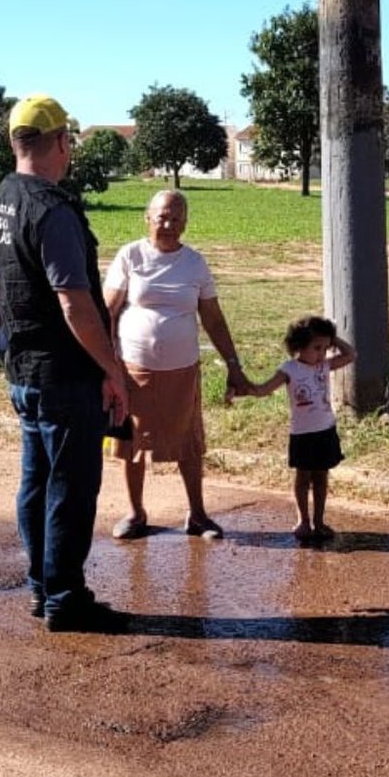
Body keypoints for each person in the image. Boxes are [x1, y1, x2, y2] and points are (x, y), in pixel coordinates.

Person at [0, 93, 128, 633]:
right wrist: (112, 370)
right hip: (63, 374)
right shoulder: (52, 209)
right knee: (70, 484)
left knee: (37, 482)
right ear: (62, 142)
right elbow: (74, 301)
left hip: (22, 368)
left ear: (15, 141)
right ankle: (66, 597)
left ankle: (43, 588)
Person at [103, 189, 248, 540]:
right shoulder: (130, 256)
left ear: (185, 222)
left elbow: (212, 317)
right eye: (162, 216)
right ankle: (136, 514)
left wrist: (233, 363)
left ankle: (197, 515)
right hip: (134, 369)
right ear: (147, 218)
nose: (169, 224)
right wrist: (106, 366)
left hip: (183, 371)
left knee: (189, 443)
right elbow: (107, 311)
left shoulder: (195, 263)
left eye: (176, 217)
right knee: (132, 444)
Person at [241, 315, 355, 543]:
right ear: (299, 347)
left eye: (325, 348)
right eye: (316, 348)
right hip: (302, 434)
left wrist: (334, 339)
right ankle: (303, 520)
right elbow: (263, 389)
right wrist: (243, 388)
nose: (322, 353)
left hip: (325, 430)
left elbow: (351, 355)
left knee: (322, 477)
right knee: (303, 477)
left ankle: (319, 521)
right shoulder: (289, 369)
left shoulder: (324, 365)